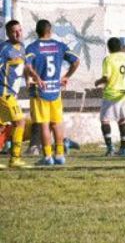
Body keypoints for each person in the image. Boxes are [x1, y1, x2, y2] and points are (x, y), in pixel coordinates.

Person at [25, 19, 81, 166]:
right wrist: (66, 76)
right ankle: (60, 155)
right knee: (56, 123)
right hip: (55, 90)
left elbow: (27, 66)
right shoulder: (59, 46)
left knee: (44, 125)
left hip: (40, 90)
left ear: (37, 32)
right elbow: (76, 61)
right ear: (50, 31)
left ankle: (47, 157)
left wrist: (36, 77)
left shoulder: (32, 47)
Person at [94, 37, 125, 156]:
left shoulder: (108, 59)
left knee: (105, 120)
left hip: (112, 94)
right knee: (122, 120)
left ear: (108, 48)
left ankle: (110, 148)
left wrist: (98, 82)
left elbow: (106, 77)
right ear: (120, 47)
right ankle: (124, 149)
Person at [0, 20, 30, 168]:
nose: (18, 34)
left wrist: (28, 80)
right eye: (14, 31)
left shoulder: (22, 47)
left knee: (2, 127)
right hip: (4, 93)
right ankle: (15, 158)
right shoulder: (4, 49)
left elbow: (23, 67)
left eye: (20, 30)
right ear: (8, 33)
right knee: (20, 122)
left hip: (10, 93)